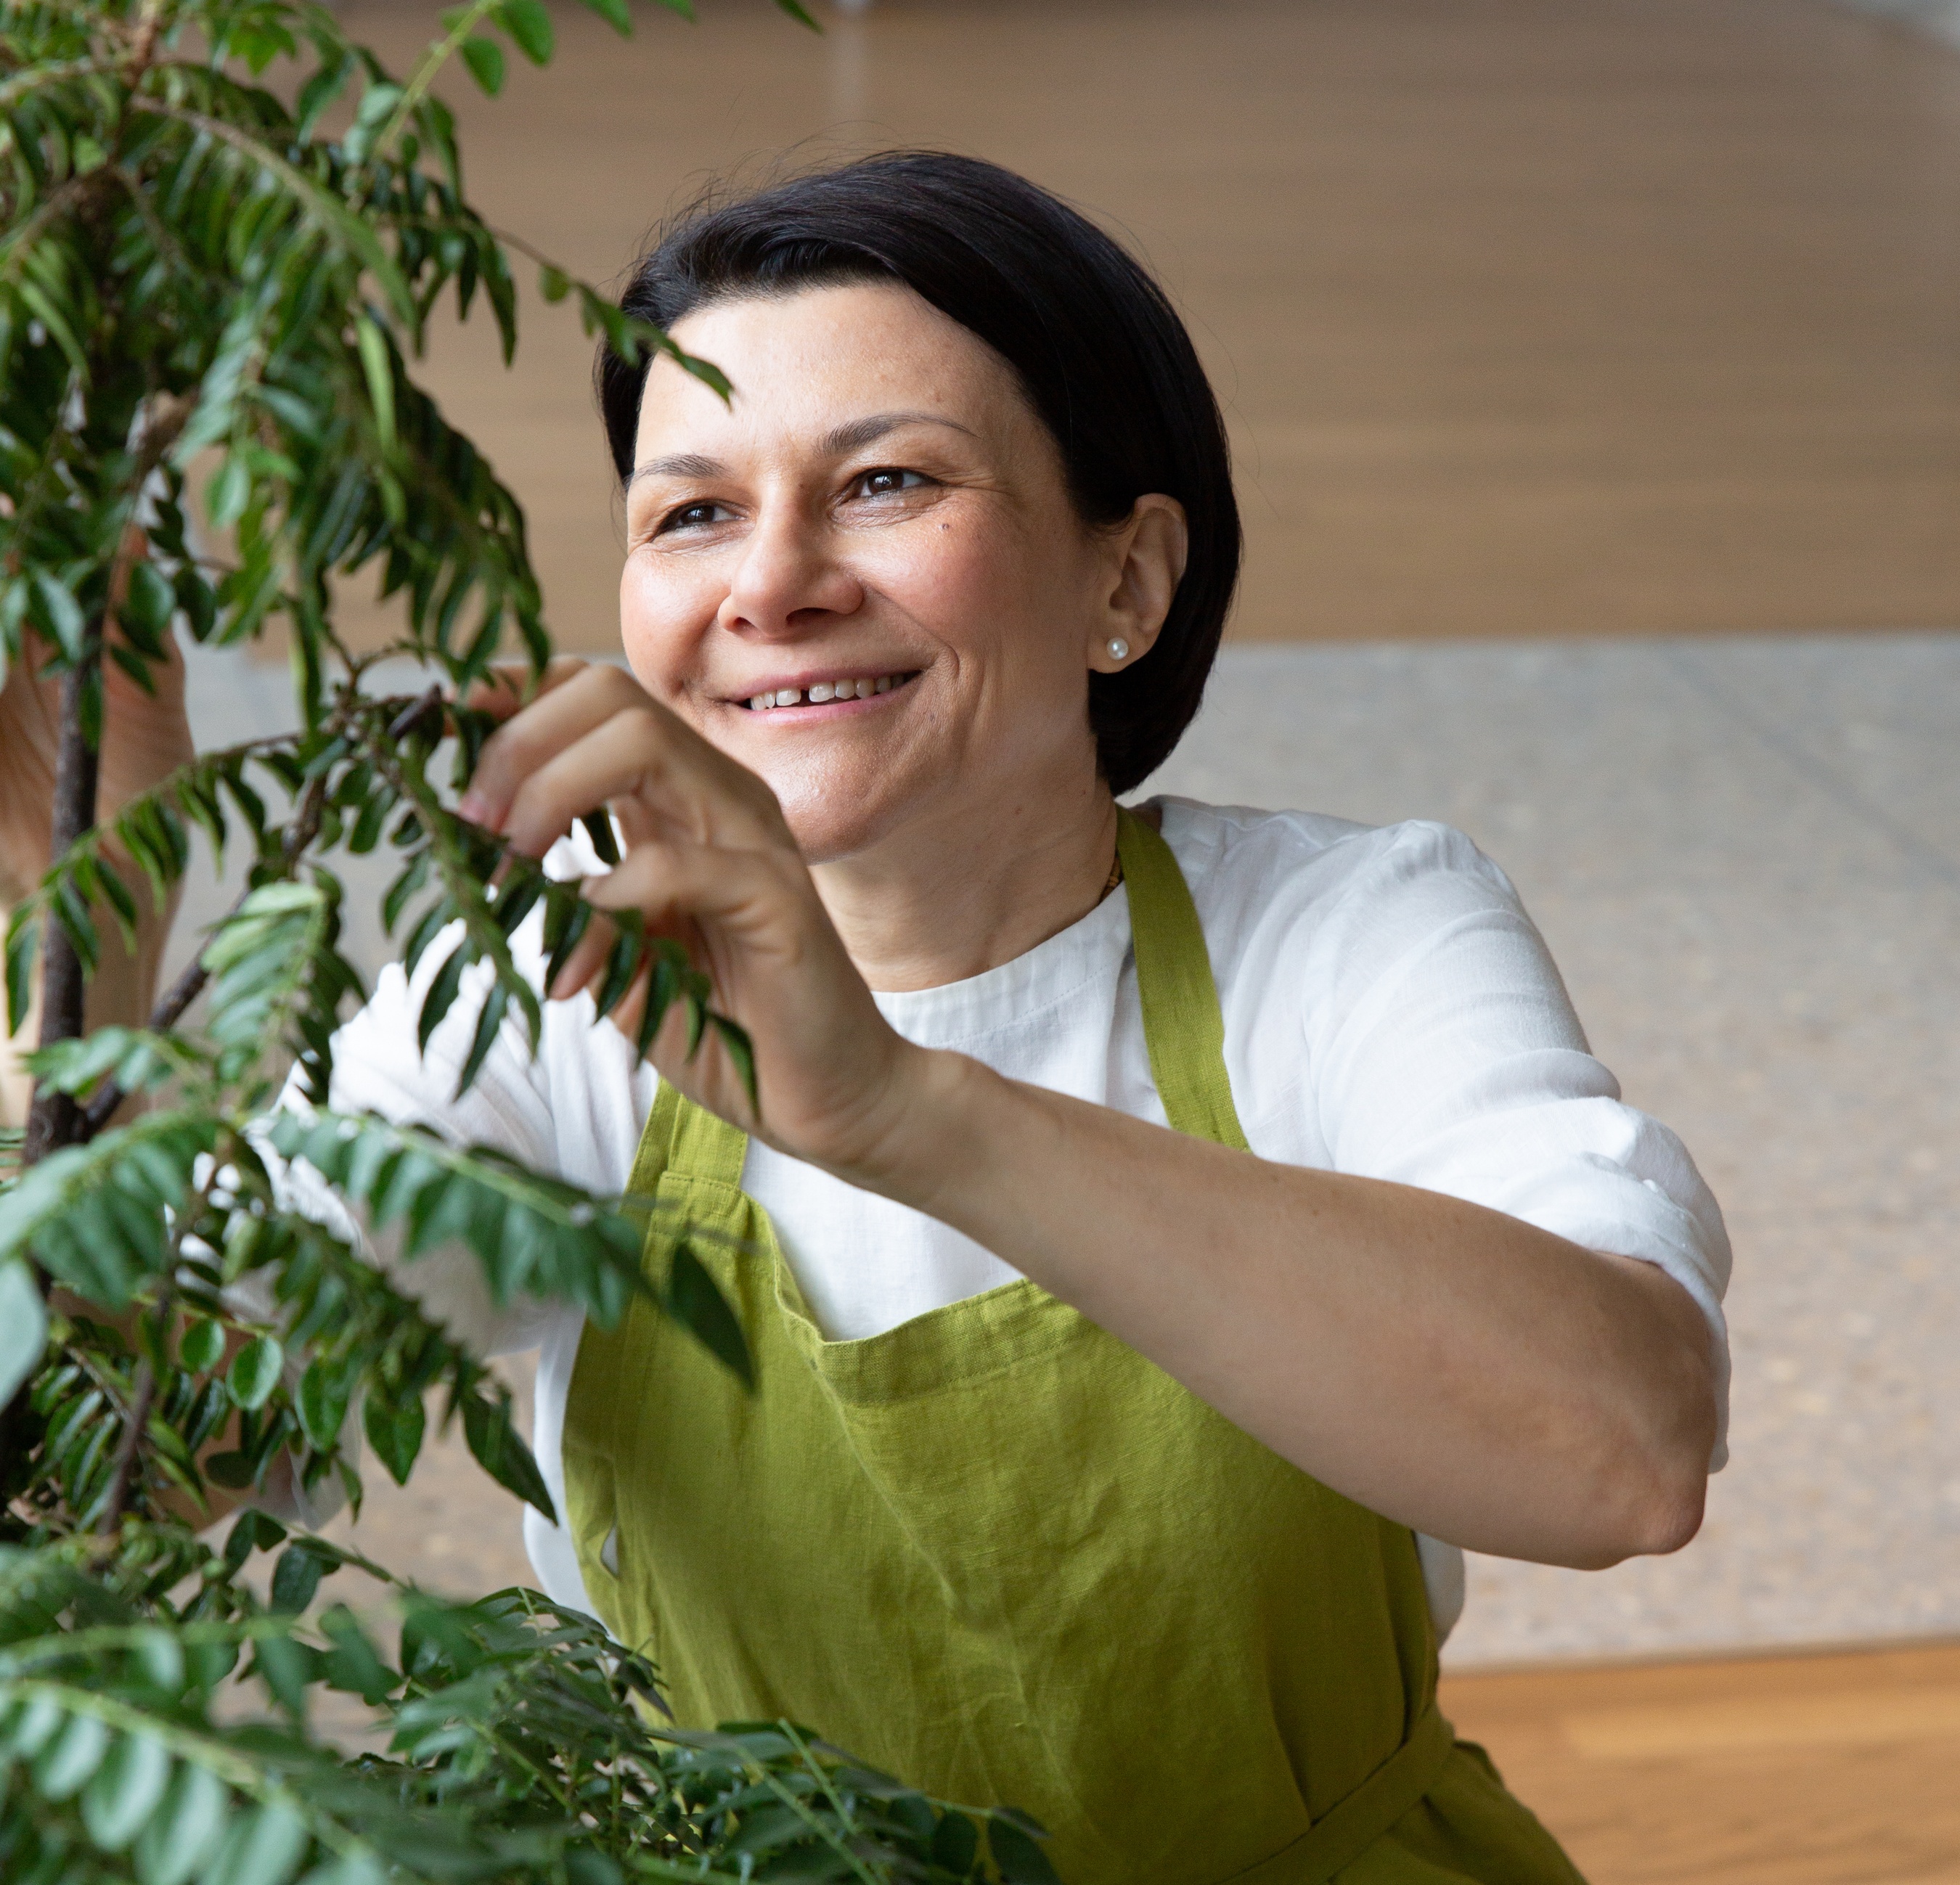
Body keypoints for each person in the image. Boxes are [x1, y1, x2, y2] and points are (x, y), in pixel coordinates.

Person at [1, 152, 1731, 1884]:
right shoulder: (556, 995)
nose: (773, 585)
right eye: (689, 513)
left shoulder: (1350, 937)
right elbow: (121, 1469)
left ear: (1127, 580)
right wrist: (71, 954)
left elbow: (1617, 1455)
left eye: (887, 482)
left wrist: (902, 1106)